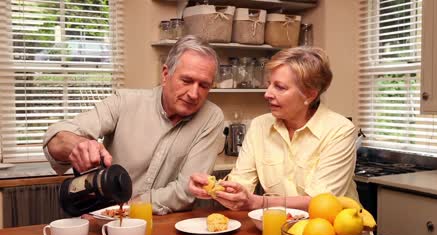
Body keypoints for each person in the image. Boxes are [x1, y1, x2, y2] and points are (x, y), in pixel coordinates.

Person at [43, 35, 224, 215]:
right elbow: (56, 137)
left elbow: (186, 190)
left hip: (163, 228)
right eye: (187, 81)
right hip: (101, 222)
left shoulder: (211, 117)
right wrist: (79, 145)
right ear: (165, 74)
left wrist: (126, 209)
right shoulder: (124, 102)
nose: (194, 93)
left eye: (203, 86)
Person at [189, 46, 358, 211]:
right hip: (278, 229)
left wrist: (257, 202)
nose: (267, 93)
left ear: (309, 94)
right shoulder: (259, 126)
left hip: (334, 234)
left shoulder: (340, 130)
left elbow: (319, 202)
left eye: (280, 87)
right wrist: (214, 189)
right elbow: (241, 185)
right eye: (269, 84)